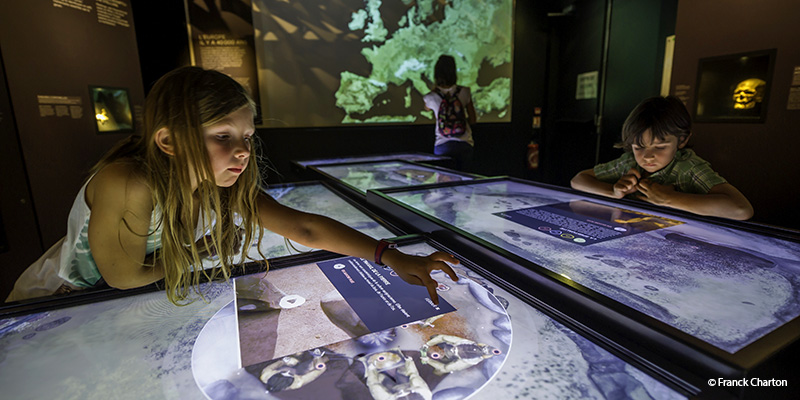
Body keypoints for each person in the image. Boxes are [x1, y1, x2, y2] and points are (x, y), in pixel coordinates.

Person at [7, 66, 458, 304]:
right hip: (59, 298)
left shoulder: (213, 179)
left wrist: (392, 256)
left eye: (246, 138)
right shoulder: (129, 183)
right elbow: (123, 277)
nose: (242, 151)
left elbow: (304, 229)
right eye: (223, 137)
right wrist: (195, 253)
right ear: (168, 139)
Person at [570, 95, 753, 220]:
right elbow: (578, 180)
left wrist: (669, 199)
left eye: (660, 146)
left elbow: (741, 209)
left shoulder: (688, 167)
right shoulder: (629, 162)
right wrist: (613, 192)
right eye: (639, 147)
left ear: (682, 140)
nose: (648, 156)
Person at [423, 55, 477, 172]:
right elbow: (473, 119)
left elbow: (426, 108)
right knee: (465, 183)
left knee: (444, 186)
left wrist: (435, 89)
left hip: (443, 144)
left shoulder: (431, 97)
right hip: (465, 144)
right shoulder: (465, 92)